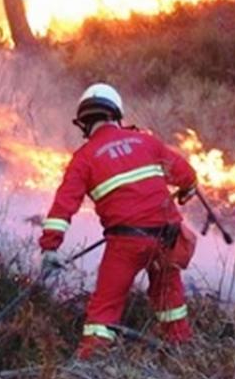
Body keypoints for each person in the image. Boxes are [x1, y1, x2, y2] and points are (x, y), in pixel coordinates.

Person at [39, 83, 197, 359]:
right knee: (169, 297)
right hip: (167, 238)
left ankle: (90, 369)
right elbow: (185, 174)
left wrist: (50, 248)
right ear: (116, 115)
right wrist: (186, 190)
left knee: (104, 309)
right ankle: (181, 353)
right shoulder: (146, 141)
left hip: (126, 243)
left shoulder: (84, 159)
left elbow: (64, 206)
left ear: (84, 124)